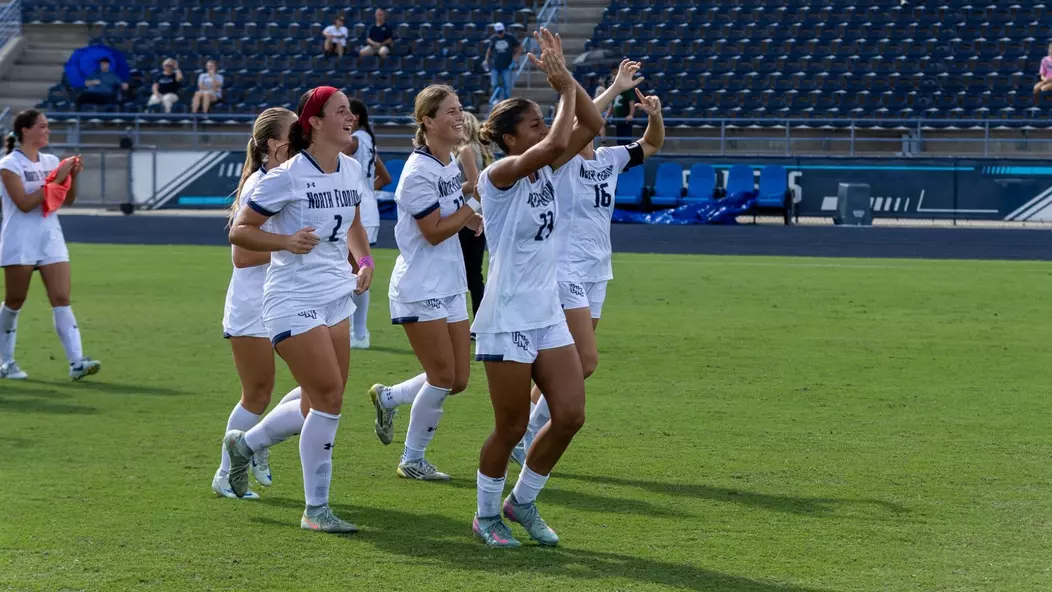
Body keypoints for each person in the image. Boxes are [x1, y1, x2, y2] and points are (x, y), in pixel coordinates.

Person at [471, 29, 604, 548]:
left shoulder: (545, 165)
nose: (545, 128)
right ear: (509, 139)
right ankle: (485, 516)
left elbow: (593, 123)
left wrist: (567, 82)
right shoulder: (500, 174)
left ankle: (521, 502)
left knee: (571, 414)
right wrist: (563, 87)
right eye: (534, 122)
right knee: (509, 426)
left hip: (545, 309)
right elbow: (556, 141)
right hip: (507, 313)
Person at [225, 86, 373, 534]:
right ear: (315, 122)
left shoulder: (349, 168)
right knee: (328, 398)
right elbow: (240, 232)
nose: (351, 117)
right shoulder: (284, 176)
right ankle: (316, 510)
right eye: (341, 111)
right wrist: (285, 242)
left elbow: (355, 225)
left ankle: (246, 445)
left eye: (351, 111)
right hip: (291, 297)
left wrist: (363, 261)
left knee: (321, 401)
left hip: (335, 295)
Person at [513, 60, 666, 465]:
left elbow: (651, 144)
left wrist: (655, 116)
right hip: (564, 269)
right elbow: (588, 116)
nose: (595, 124)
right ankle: (526, 431)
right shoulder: (558, 163)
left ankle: (524, 427)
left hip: (598, 269)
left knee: (577, 365)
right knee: (585, 359)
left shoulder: (610, 159)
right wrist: (614, 88)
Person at [368, 84, 482, 481]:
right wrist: (475, 205)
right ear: (427, 122)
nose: (458, 116)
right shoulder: (417, 173)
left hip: (449, 282)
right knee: (442, 377)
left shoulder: (446, 161)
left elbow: (454, 207)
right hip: (421, 285)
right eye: (450, 111)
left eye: (460, 108)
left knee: (459, 380)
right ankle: (412, 459)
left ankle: (389, 397)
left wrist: (473, 207)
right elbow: (433, 231)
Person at [212, 107, 307, 500]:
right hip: (253, 305)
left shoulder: (286, 179)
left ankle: (257, 442)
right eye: (294, 133)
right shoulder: (258, 185)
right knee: (257, 393)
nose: (302, 139)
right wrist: (292, 248)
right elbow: (242, 256)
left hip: (282, 298)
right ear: (273, 144)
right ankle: (224, 474)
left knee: (319, 386)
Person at [0, 109, 101, 381]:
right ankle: (5, 361)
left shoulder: (51, 160)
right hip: (19, 238)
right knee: (15, 300)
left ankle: (76, 361)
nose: (47, 131)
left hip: (49, 236)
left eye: (47, 126)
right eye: (42, 127)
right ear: (25, 130)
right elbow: (23, 203)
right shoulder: (9, 164)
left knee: (61, 298)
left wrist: (73, 177)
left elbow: (66, 200)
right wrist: (55, 179)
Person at [342, 98, 391, 349]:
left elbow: (330, 153)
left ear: (357, 117)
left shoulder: (355, 140)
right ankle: (357, 332)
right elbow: (385, 177)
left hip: (358, 212)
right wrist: (366, 191)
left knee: (352, 272)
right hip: (367, 208)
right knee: (354, 270)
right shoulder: (369, 140)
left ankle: (358, 333)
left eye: (346, 112)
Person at [456, 111, 493, 321]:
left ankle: (473, 320)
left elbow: (473, 183)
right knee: (473, 273)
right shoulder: (480, 150)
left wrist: (446, 188)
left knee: (465, 274)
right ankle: (480, 320)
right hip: (477, 211)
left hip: (467, 215)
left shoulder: (465, 149)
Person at [484, 23, 521, 104]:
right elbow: (489, 50)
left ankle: (506, 101)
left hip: (507, 65)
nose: (500, 34)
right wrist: (486, 60)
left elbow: (519, 46)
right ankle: (496, 98)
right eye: (498, 32)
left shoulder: (510, 37)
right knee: (494, 83)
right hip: (496, 65)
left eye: (501, 32)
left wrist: (516, 57)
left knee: (507, 85)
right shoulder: (493, 39)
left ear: (504, 30)